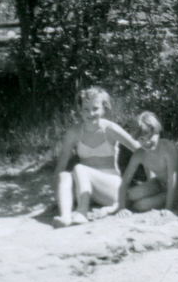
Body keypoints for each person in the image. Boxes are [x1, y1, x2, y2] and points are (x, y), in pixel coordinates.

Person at [53, 87, 141, 227]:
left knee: (79, 168)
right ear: (80, 109)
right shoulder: (73, 132)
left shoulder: (110, 129)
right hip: (85, 189)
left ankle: (82, 213)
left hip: (110, 188)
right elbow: (61, 167)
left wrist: (153, 176)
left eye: (95, 109)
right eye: (86, 109)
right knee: (64, 176)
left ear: (103, 109)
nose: (91, 113)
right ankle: (65, 216)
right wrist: (58, 192)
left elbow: (140, 151)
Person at [106, 112, 178, 215]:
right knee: (130, 195)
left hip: (176, 190)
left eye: (150, 137)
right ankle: (115, 207)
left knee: (140, 206)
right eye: (142, 139)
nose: (147, 142)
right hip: (158, 184)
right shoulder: (139, 154)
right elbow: (124, 182)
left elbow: (172, 180)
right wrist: (121, 208)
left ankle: (166, 202)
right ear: (136, 139)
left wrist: (168, 209)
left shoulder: (167, 148)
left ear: (158, 132)